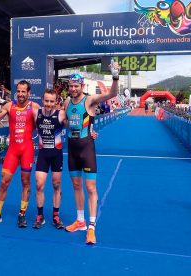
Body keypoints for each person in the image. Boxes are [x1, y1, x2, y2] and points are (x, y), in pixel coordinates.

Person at [64, 62, 120, 245]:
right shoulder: (66, 102)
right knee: (76, 186)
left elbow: (112, 94)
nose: (73, 88)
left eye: (76, 86)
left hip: (87, 149)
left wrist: (115, 76)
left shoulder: (88, 100)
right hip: (71, 150)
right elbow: (66, 122)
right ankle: (80, 221)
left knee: (90, 188)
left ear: (82, 86)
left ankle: (91, 227)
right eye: (71, 86)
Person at [0, 80, 40, 228]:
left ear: (29, 93)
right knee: (4, 182)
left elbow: (44, 124)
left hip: (27, 149)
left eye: (24, 91)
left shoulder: (34, 107)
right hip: (13, 150)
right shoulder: (9, 106)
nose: (21, 94)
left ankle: (22, 214)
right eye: (19, 91)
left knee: (26, 183)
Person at [32, 88, 66, 229]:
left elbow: (77, 122)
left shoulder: (61, 114)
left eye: (52, 101)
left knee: (56, 185)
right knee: (39, 185)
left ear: (56, 101)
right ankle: (40, 215)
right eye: (46, 101)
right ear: (42, 100)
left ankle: (55, 215)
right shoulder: (36, 113)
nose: (49, 104)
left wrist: (91, 132)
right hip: (43, 155)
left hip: (56, 155)